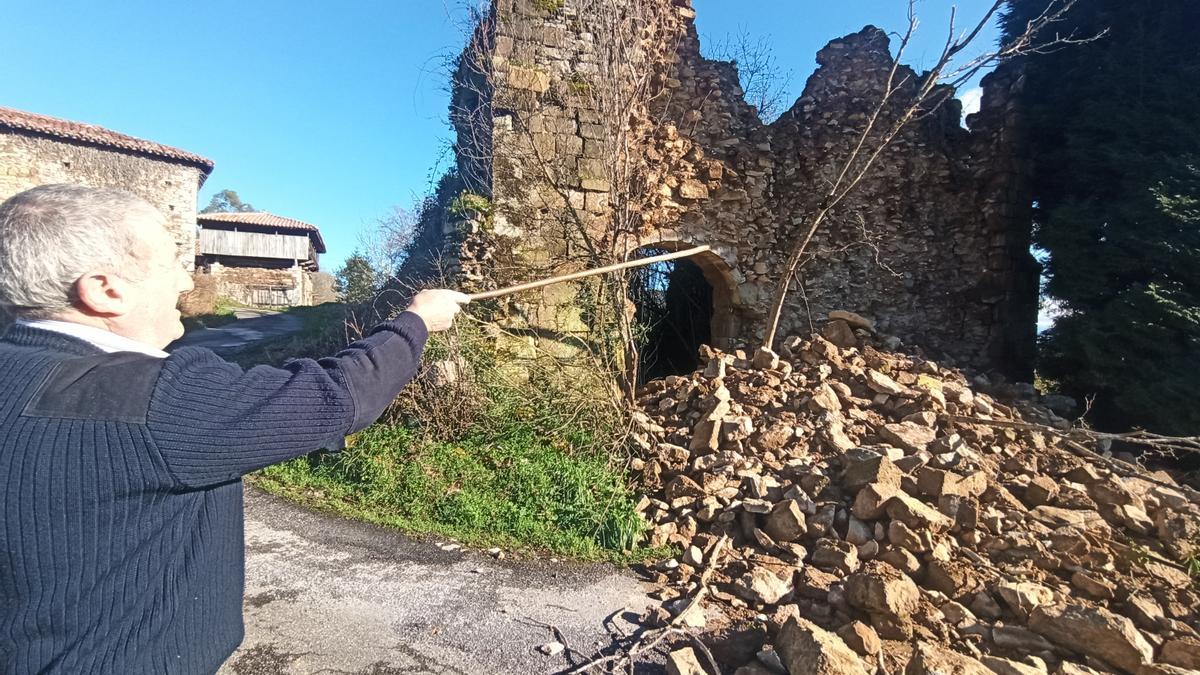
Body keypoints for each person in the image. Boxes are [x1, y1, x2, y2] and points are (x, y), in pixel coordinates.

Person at [0, 184, 469, 674]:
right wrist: (415, 321)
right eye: (170, 262)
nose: (186, 280)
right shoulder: (156, 398)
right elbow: (342, 396)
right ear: (104, 289)